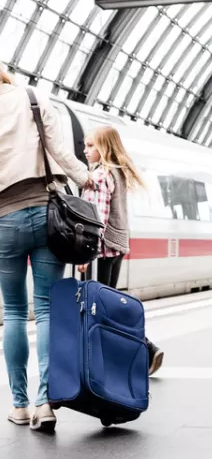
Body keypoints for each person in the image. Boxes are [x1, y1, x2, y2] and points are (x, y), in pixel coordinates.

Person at [0, 48, 91, 433]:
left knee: (13, 312)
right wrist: (85, 177)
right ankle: (46, 403)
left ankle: (19, 404)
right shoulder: (33, 99)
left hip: (3, 220)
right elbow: (62, 151)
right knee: (45, 309)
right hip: (48, 216)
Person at [79, 126, 164, 376]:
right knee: (111, 306)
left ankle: (140, 351)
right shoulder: (118, 174)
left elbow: (99, 220)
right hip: (116, 248)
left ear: (104, 148)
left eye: (91, 145)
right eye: (85, 145)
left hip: (102, 252)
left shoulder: (102, 176)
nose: (86, 150)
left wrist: (88, 254)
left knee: (100, 309)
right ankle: (139, 353)